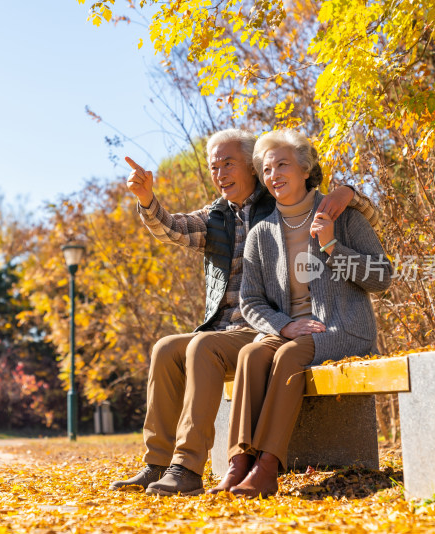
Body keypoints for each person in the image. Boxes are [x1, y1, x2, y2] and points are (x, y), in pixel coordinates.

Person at [109, 128, 381, 496]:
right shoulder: (220, 216)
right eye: (214, 166)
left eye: (228, 163)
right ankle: (158, 463)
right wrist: (147, 200)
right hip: (247, 327)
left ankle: (189, 467)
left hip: (274, 328)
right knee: (166, 349)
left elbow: (352, 217)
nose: (220, 173)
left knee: (202, 348)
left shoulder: (281, 199)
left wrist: (347, 193)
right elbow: (174, 228)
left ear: (252, 169)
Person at [216, 129, 392, 498]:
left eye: (282, 165)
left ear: (305, 169)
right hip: (292, 332)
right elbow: (250, 301)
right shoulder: (261, 233)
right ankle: (239, 464)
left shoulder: (342, 215)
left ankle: (266, 468)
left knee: (289, 356)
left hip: (343, 329)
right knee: (251, 353)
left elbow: (382, 277)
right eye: (266, 169)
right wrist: (285, 325)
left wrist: (332, 246)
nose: (274, 175)